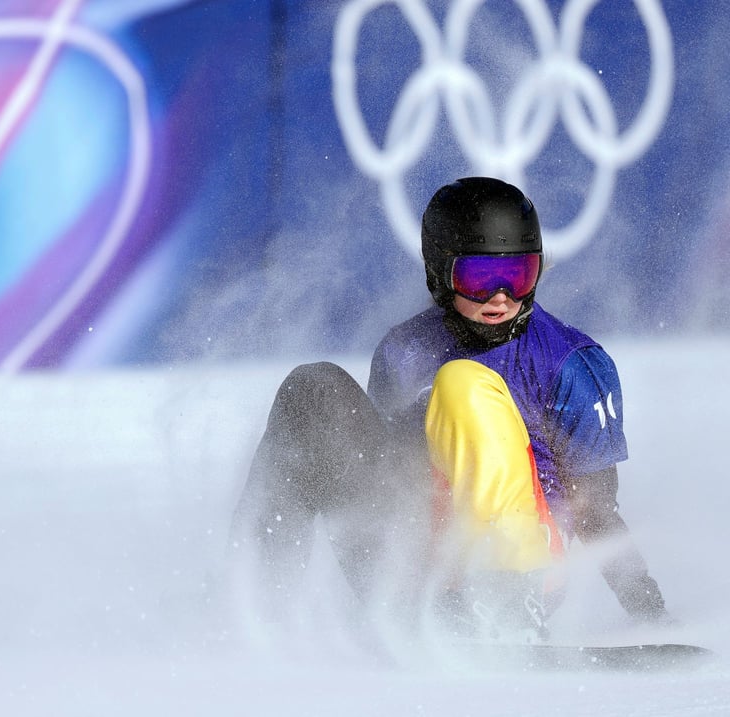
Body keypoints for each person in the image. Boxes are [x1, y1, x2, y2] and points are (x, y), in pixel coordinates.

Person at [230, 177, 671, 641]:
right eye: (480, 280)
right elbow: (382, 474)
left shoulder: (570, 363)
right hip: (414, 567)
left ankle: (509, 615)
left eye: (520, 275)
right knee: (313, 389)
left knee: (462, 383)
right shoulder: (405, 350)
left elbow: (595, 510)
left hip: (521, 573)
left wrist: (649, 610)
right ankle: (256, 602)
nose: (501, 297)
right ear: (440, 276)